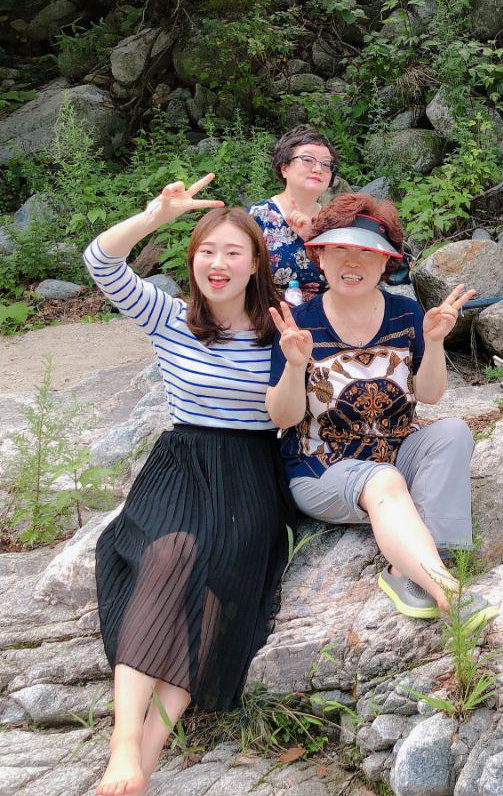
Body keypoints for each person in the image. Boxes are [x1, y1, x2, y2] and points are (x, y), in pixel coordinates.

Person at [84, 176, 292, 796]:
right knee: (166, 556)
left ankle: (143, 757)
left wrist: (300, 361)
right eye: (207, 251)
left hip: (251, 469)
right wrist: (154, 216)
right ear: (193, 259)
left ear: (256, 263)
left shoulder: (283, 328)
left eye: (233, 253)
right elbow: (101, 261)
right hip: (180, 462)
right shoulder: (170, 316)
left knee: (219, 584)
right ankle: (125, 743)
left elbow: (284, 417)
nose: (218, 264)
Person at [265, 194, 495, 624]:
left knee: (453, 432)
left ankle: (405, 567)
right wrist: (295, 366)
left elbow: (429, 396)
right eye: (339, 249)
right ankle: (447, 588)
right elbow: (283, 418)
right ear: (319, 254)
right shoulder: (301, 324)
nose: (352, 262)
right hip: (323, 469)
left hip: (395, 452)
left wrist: (437, 341)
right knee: (383, 478)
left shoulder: (407, 313)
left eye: (366, 252)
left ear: (385, 261)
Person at [248, 125, 337, 302]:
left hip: (327, 318)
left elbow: (350, 273)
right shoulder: (259, 216)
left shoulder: (336, 220)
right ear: (284, 167)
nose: (318, 169)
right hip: (269, 317)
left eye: (326, 164)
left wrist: (313, 237)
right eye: (308, 160)